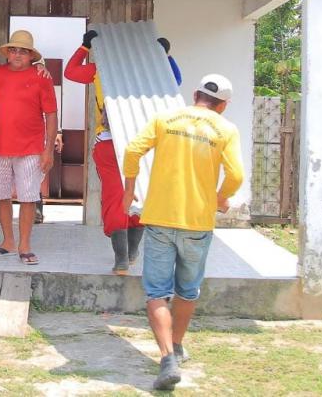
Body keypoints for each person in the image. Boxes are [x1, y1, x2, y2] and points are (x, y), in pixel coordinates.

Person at [122, 74, 244, 391]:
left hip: (160, 219)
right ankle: (175, 346)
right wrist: (220, 198)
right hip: (198, 223)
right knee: (187, 291)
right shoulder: (226, 130)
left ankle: (167, 358)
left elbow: (133, 151)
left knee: (156, 293)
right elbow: (236, 175)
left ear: (195, 94)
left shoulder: (165, 118)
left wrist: (128, 190)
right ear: (224, 105)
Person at [64, 30, 181, 275]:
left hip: (135, 143)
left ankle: (127, 255)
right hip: (119, 143)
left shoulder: (113, 70)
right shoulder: (103, 70)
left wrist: (165, 57)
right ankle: (125, 256)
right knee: (126, 195)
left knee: (130, 196)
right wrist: (84, 47)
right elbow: (71, 72)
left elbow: (175, 80)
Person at [0, 31, 57, 265]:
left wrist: (49, 149)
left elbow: (51, 115)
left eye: (23, 51)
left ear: (31, 56)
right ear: (8, 53)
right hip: (0, 147)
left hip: (31, 148)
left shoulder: (41, 76)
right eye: (13, 50)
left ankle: (25, 244)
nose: (17, 54)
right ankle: (8, 242)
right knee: (0, 194)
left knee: (28, 196)